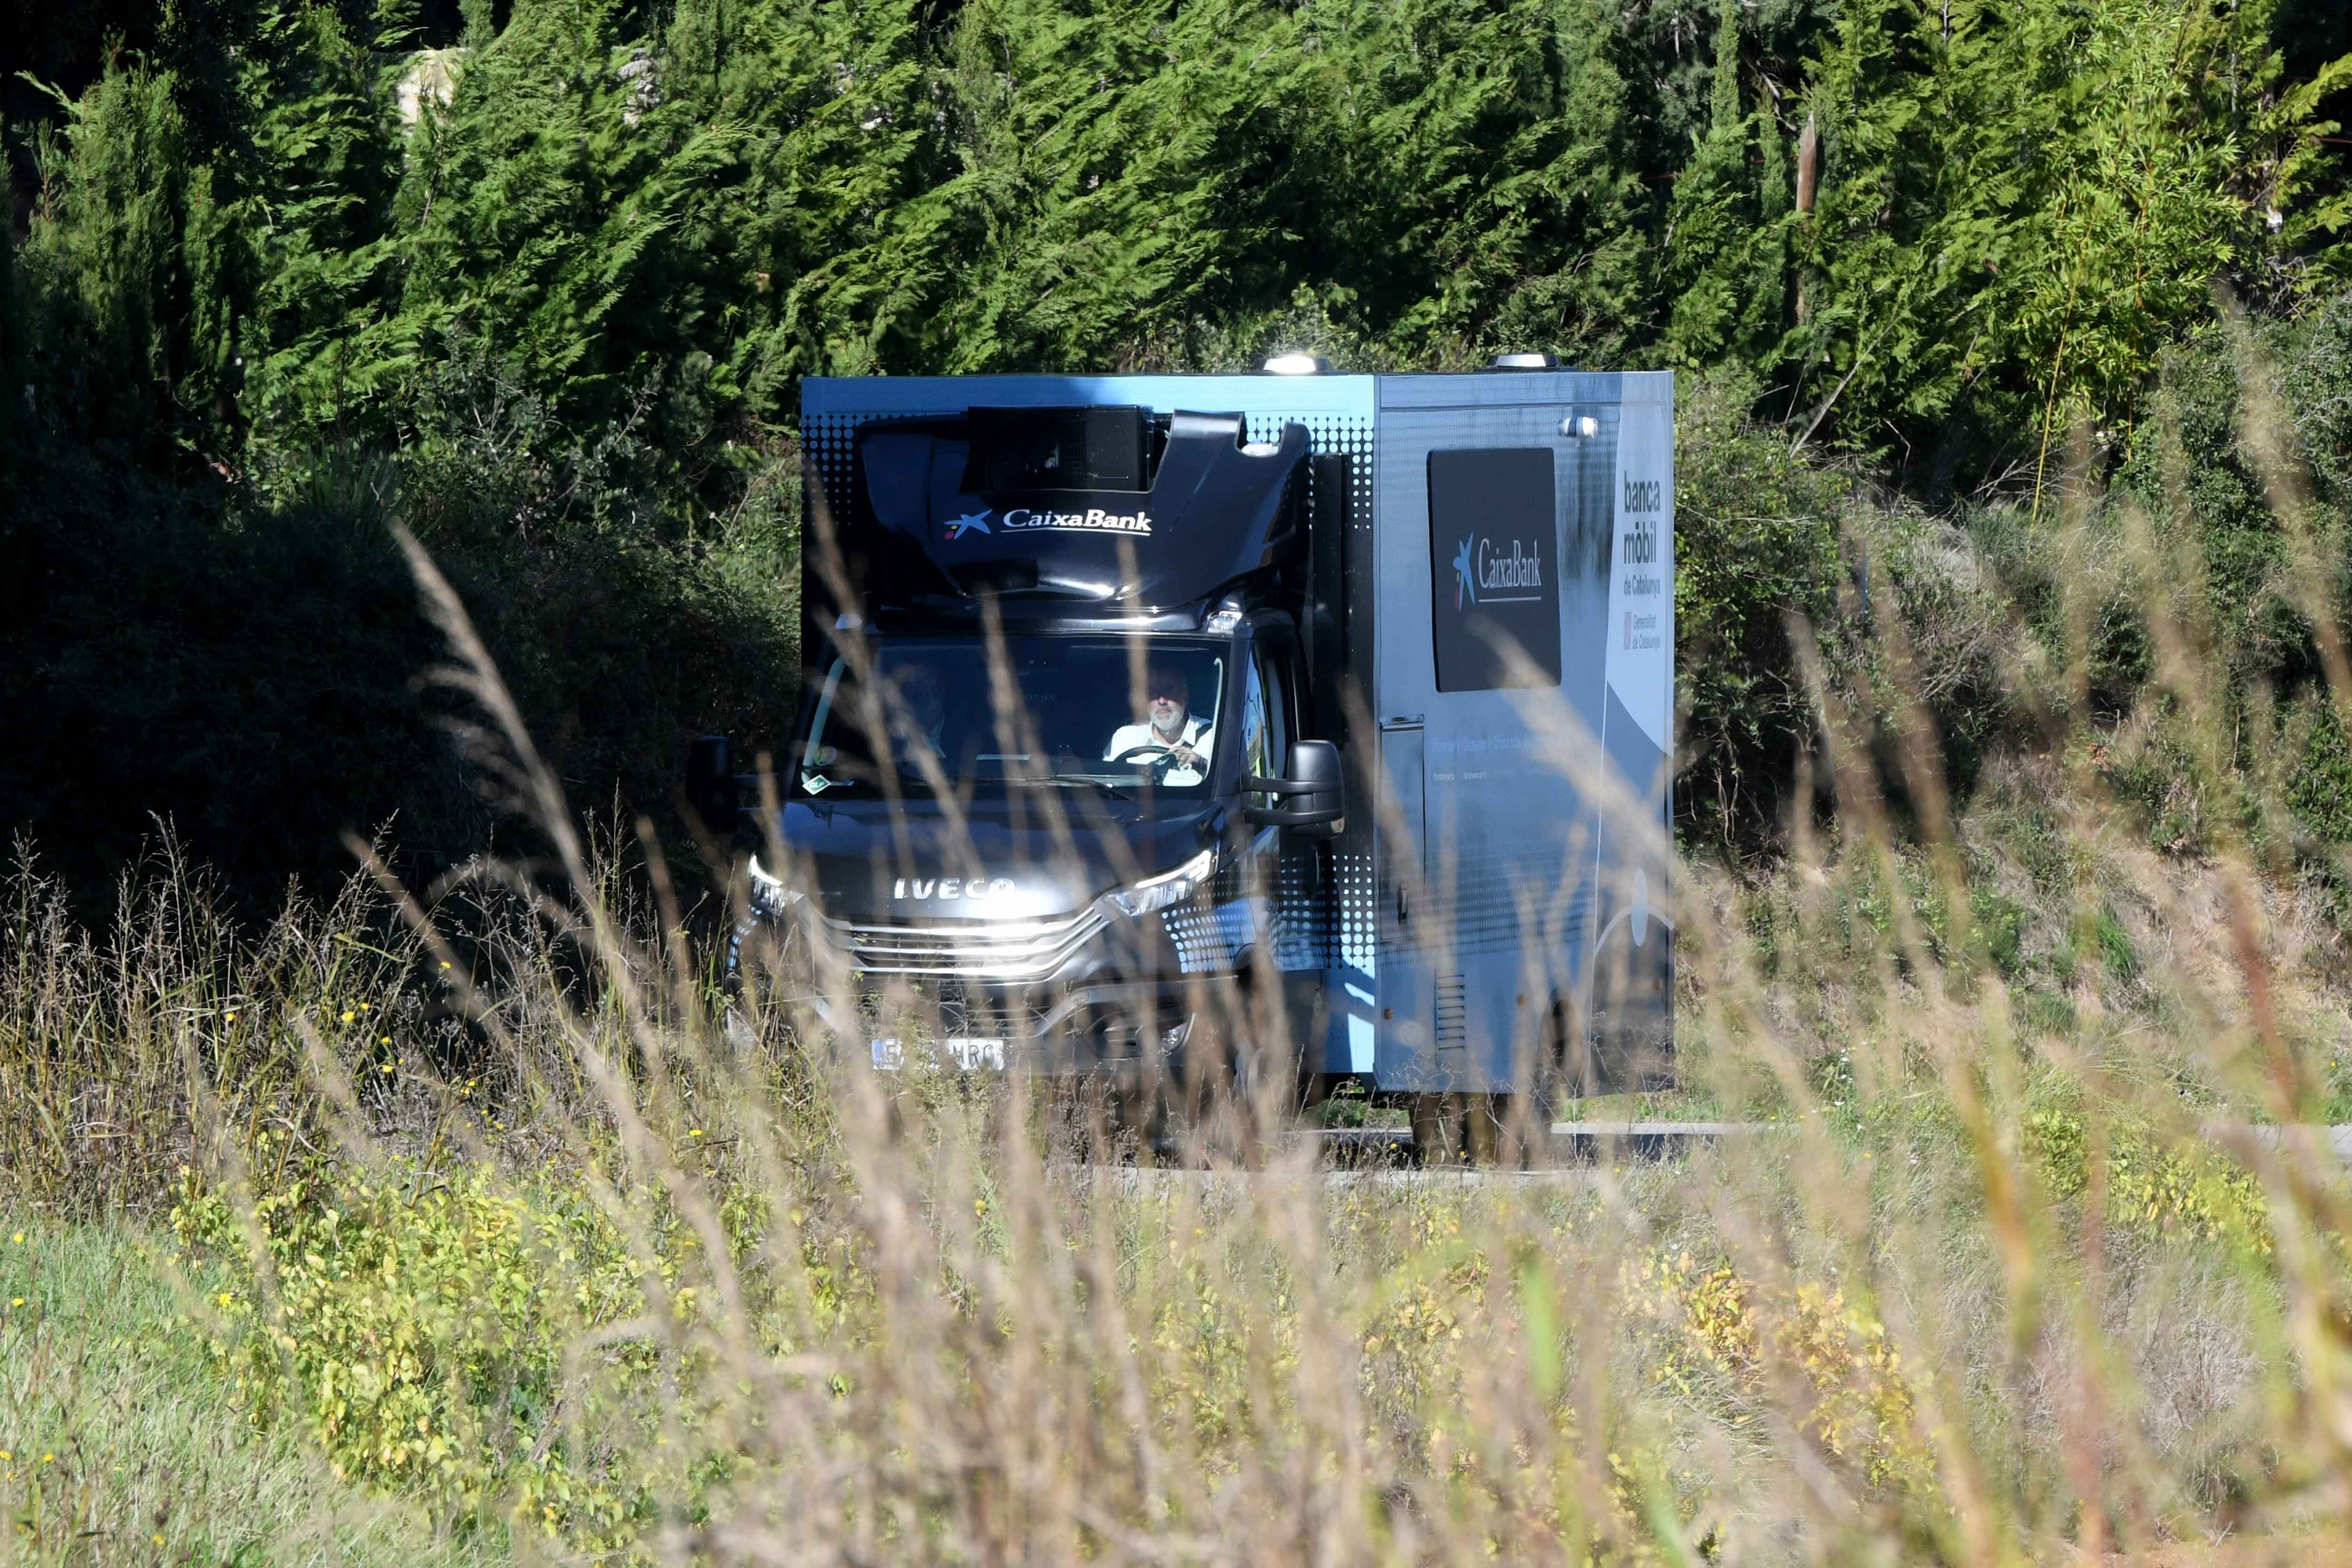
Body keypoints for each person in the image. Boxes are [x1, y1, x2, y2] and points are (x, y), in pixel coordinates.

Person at [1104, 661, 1214, 784]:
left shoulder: (1213, 738)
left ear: (1185, 696)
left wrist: (1202, 763)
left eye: (1169, 691)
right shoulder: (1126, 738)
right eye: (1153, 693)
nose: (1162, 701)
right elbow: (1106, 787)